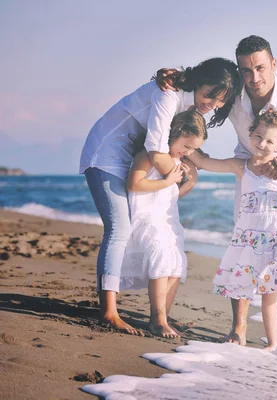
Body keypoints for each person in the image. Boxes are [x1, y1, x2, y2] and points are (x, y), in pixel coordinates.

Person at [157, 35, 277, 346]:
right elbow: (203, 90)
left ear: (274, 64)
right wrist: (174, 78)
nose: (254, 78)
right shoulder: (234, 89)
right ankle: (239, 328)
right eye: (246, 71)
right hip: (246, 165)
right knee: (246, 242)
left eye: (260, 68)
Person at [80, 58, 242, 335]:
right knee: (119, 229)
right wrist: (178, 178)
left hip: (131, 158)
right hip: (106, 156)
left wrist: (240, 167)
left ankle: (157, 315)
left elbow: (195, 156)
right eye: (209, 95)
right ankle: (109, 311)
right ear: (199, 82)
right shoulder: (169, 96)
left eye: (218, 102)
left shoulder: (188, 105)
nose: (211, 104)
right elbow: (156, 151)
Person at [194, 109, 277, 353]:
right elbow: (206, 163)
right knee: (267, 291)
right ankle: (274, 343)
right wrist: (185, 148)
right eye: (258, 137)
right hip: (254, 236)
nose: (262, 144)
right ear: (250, 134)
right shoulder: (242, 165)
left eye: (270, 141)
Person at [120, 109, 205, 338]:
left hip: (168, 220)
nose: (188, 152)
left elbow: (170, 196)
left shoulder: (176, 162)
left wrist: (189, 183)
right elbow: (134, 185)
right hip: (147, 218)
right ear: (173, 133)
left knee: (177, 264)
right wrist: (168, 180)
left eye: (192, 149)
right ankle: (158, 321)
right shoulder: (150, 155)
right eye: (186, 146)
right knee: (161, 258)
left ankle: (161, 318)